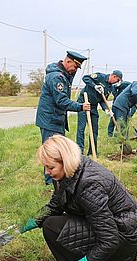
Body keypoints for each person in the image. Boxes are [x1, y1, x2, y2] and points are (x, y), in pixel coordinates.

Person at [18, 135, 137, 261]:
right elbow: (54, 206)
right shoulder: (69, 173)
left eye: (50, 167)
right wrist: (19, 228)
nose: (47, 172)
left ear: (65, 160)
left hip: (123, 237)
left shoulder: (89, 186)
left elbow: (109, 239)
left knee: (53, 227)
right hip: (111, 229)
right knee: (52, 223)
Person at [35, 51, 91, 185]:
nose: (75, 70)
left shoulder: (64, 75)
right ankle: (50, 182)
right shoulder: (56, 77)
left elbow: (63, 96)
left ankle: (57, 177)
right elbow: (61, 101)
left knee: (58, 149)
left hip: (56, 119)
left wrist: (71, 73)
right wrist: (80, 106)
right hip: (49, 120)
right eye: (75, 67)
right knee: (51, 151)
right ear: (68, 62)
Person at [76, 70, 122, 149]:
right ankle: (80, 150)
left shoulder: (110, 88)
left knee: (95, 130)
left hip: (93, 106)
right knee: (81, 128)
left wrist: (106, 110)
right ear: (114, 76)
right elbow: (85, 78)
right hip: (83, 103)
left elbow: (102, 100)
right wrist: (95, 86)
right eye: (117, 80)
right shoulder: (100, 77)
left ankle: (92, 151)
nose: (117, 82)